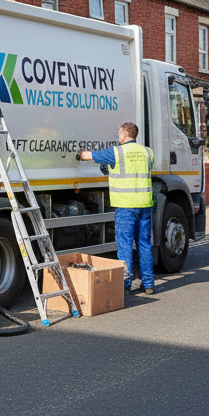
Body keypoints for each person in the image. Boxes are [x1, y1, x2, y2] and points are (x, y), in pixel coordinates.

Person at [78, 121, 156, 294]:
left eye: (119, 133)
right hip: (145, 205)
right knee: (144, 245)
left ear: (123, 133)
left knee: (125, 246)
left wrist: (79, 154)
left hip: (126, 206)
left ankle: (125, 284)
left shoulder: (117, 152)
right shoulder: (147, 152)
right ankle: (148, 284)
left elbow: (87, 156)